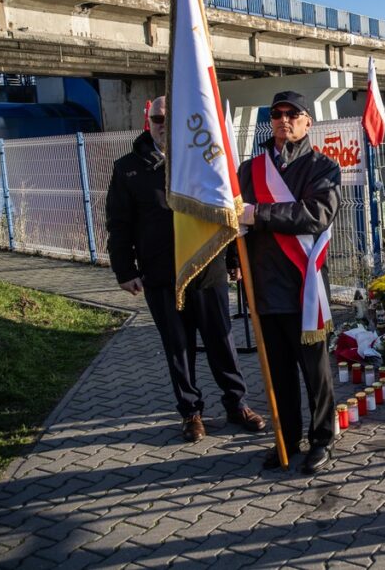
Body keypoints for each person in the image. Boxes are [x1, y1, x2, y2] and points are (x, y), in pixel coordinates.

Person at [105, 96, 266, 443]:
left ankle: (236, 404)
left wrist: (235, 262)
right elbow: (118, 225)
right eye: (158, 118)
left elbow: (226, 214)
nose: (164, 124)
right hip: (162, 274)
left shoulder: (205, 161)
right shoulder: (128, 168)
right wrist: (124, 270)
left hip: (209, 269)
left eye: (171, 117)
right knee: (178, 348)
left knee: (222, 341)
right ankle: (191, 412)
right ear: (149, 121)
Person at [237, 90, 341, 475]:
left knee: (315, 373)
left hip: (304, 286)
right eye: (277, 113)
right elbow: (237, 224)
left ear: (307, 121)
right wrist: (236, 259)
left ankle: (322, 438)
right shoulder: (250, 170)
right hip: (264, 286)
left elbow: (314, 214)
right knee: (278, 373)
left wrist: (257, 213)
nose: (284, 120)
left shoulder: (322, 167)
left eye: (292, 114)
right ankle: (288, 436)